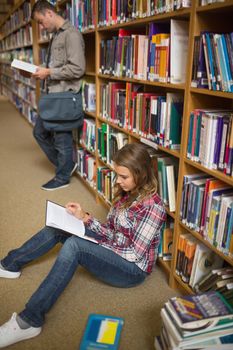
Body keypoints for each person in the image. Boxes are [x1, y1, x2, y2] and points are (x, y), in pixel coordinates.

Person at [0, 143, 166, 348]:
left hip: (131, 270)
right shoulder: (128, 192)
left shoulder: (153, 208)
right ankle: (9, 265)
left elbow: (133, 253)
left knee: (74, 246)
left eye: (124, 177)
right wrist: (84, 219)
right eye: (117, 175)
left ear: (141, 175)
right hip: (116, 248)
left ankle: (29, 321)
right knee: (60, 226)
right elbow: (113, 230)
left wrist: (93, 239)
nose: (119, 181)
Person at [31, 0, 85, 191]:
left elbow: (78, 68)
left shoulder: (71, 35)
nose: (41, 26)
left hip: (63, 97)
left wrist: (49, 73)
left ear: (49, 13)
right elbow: (57, 67)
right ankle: (67, 166)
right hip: (52, 95)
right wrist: (42, 73)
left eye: (40, 21)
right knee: (39, 132)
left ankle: (62, 176)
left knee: (62, 140)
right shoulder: (55, 36)